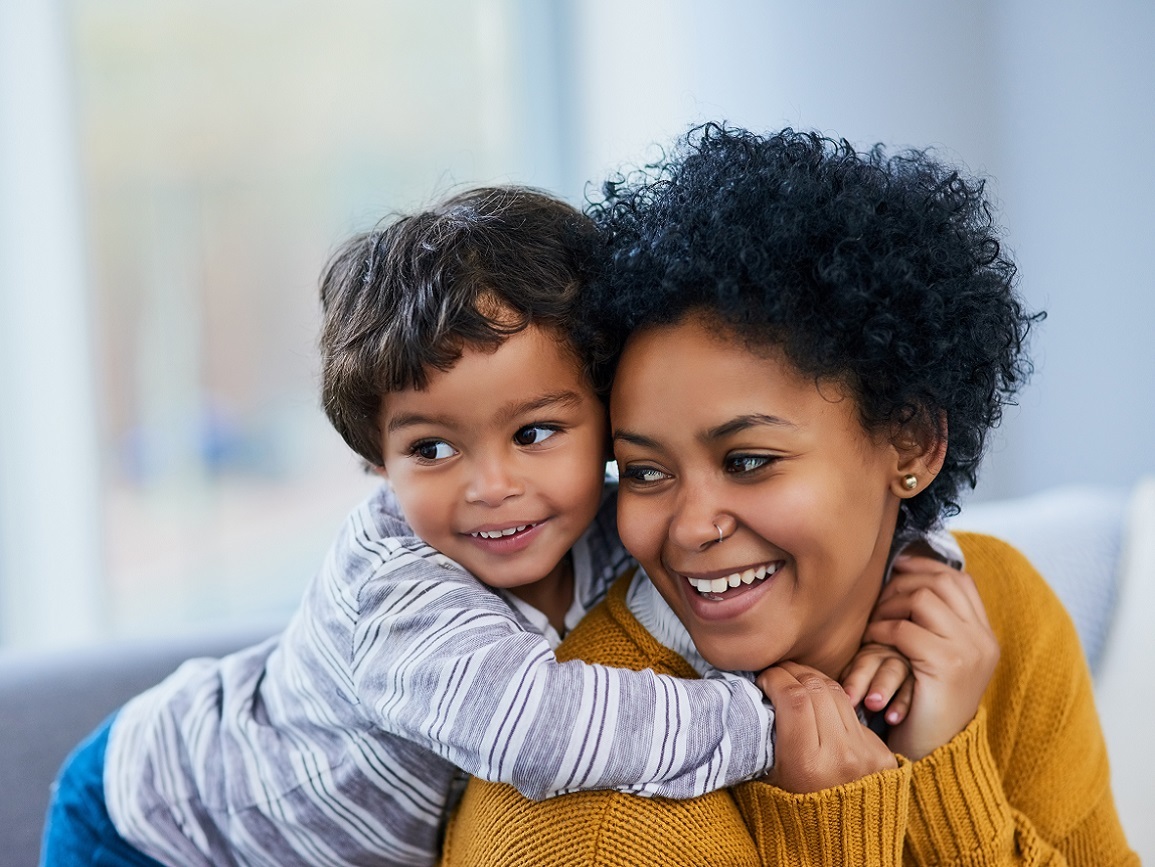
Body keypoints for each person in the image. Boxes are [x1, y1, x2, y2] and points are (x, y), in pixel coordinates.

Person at [41, 186, 917, 867]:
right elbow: (536, 727)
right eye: (430, 447)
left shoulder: (614, 517)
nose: (493, 487)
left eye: (535, 433)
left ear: (605, 418)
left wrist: (916, 569)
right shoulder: (398, 593)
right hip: (163, 829)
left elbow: (820, 528)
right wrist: (763, 722)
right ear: (375, 457)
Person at [439, 127, 1139, 865]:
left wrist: (943, 768)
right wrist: (836, 830)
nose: (690, 529)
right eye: (644, 470)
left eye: (746, 459)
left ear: (910, 444)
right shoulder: (587, 826)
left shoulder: (998, 609)